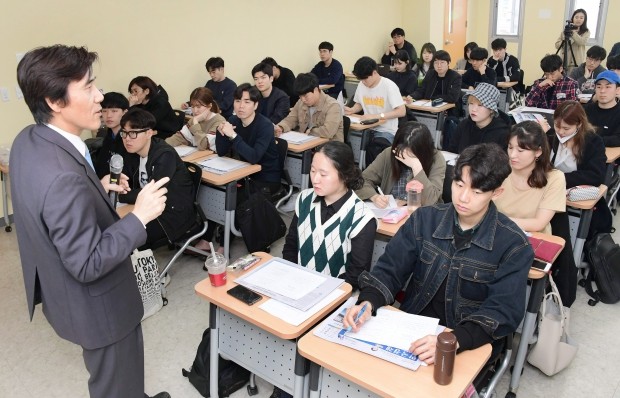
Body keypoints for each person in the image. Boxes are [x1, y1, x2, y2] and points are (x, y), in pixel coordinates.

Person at [10, 44, 170, 398]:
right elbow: (86, 262)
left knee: (121, 380)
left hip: (66, 297)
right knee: (116, 386)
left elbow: (49, 205)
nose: (100, 96)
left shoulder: (29, 141)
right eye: (88, 87)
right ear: (55, 102)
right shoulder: (62, 177)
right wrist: (139, 216)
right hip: (101, 308)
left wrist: (95, 188)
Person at [343, 143, 533, 365]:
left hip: (466, 341)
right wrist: (368, 302)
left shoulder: (513, 245)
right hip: (411, 330)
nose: (463, 197)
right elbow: (390, 269)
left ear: (497, 192)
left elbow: (502, 311)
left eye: (477, 191)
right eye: (459, 184)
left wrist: (452, 340)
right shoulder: (424, 219)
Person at [494, 121, 576, 306]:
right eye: (510, 147)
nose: (513, 155)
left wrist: (496, 220)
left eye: (521, 150)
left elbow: (539, 223)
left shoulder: (554, 178)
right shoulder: (500, 168)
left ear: (538, 152)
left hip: (530, 242)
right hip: (495, 235)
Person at [120, 108, 195, 248]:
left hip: (171, 215)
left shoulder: (164, 155)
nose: (127, 139)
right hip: (148, 209)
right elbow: (122, 182)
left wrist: (120, 195)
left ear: (149, 133)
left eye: (133, 133)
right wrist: (119, 187)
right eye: (124, 133)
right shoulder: (132, 152)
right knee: (116, 229)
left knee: (126, 239)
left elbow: (152, 194)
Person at [550, 100, 612, 240]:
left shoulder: (593, 142)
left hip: (573, 198)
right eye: (557, 126)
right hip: (551, 193)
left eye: (566, 129)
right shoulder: (551, 137)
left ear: (579, 125)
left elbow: (595, 176)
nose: (560, 131)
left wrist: (557, 179)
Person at [356, 121, 445, 207]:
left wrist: (416, 167)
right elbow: (361, 180)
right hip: (391, 213)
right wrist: (374, 197)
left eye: (411, 153)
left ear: (422, 150)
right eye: (402, 150)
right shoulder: (389, 153)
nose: (404, 155)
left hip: (421, 215)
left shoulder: (436, 158)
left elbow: (431, 201)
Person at [216, 83, 281, 196]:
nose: (241, 106)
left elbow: (254, 157)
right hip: (244, 174)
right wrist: (220, 131)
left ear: (255, 105)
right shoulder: (233, 120)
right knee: (219, 193)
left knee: (232, 199)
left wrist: (233, 135)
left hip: (266, 178)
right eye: (237, 101)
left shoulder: (265, 125)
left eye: (247, 102)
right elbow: (221, 152)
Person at [344, 56, 406, 165]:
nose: (363, 82)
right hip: (366, 127)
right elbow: (359, 103)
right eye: (361, 79)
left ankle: (373, 179)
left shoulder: (389, 86)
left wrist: (377, 116)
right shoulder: (362, 84)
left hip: (385, 131)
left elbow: (401, 111)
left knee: (374, 149)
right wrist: (352, 110)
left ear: (374, 72)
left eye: (365, 79)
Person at [275, 73, 344, 141]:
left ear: (316, 90)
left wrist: (309, 131)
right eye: (300, 96)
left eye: (305, 96)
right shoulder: (301, 102)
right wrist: (281, 127)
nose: (303, 99)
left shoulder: (333, 106)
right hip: (307, 145)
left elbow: (328, 132)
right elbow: (291, 119)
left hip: (330, 148)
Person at [447, 83, 509, 154]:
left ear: (492, 109)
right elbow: (452, 151)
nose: (474, 109)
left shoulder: (502, 134)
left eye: (480, 105)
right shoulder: (464, 125)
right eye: (471, 103)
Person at [128, 76, 181, 140]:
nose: (133, 95)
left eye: (136, 91)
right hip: (152, 133)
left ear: (146, 91)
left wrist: (131, 106)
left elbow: (145, 124)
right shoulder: (139, 104)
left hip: (169, 135)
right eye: (131, 92)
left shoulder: (160, 103)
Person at [94, 92, 129, 178]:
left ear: (125, 112)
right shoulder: (107, 136)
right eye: (104, 111)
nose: (108, 116)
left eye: (114, 111)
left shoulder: (129, 139)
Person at [584, 71, 620, 147]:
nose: (602, 91)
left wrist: (592, 140)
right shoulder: (586, 110)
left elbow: (617, 139)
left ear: (617, 90)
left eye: (608, 87)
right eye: (599, 87)